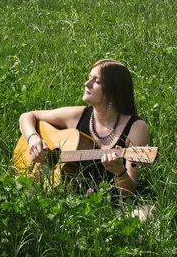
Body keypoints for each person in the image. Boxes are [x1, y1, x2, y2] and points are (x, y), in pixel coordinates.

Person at [19, 59, 149, 197]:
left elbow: (129, 193)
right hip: (69, 201)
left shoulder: (136, 128)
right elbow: (27, 116)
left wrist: (119, 172)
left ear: (113, 91)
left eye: (97, 81)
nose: (87, 84)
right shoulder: (77, 115)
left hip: (105, 204)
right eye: (89, 78)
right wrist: (33, 138)